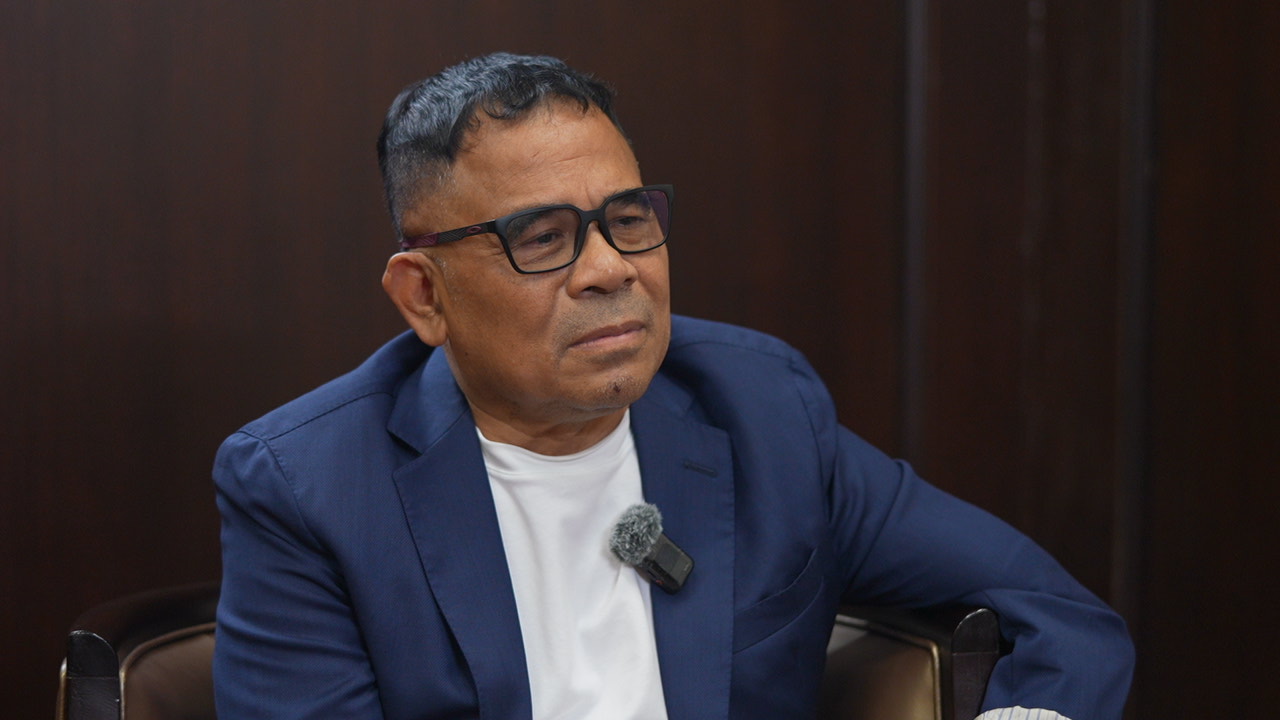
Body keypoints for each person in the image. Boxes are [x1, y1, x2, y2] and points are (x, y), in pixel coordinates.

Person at [212, 52, 1134, 720]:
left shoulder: (760, 408)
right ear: (425, 295)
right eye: (543, 239)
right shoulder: (310, 486)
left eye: (627, 219)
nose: (611, 269)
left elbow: (1057, 614)